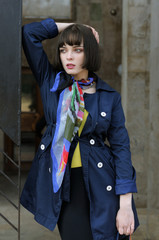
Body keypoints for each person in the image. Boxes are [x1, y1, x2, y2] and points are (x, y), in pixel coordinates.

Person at [20, 18, 139, 240]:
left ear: (90, 53)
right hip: (66, 186)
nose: (69, 56)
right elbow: (29, 34)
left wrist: (125, 206)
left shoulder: (109, 97)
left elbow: (121, 149)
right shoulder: (52, 83)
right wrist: (74, 26)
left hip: (102, 184)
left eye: (78, 49)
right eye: (64, 50)